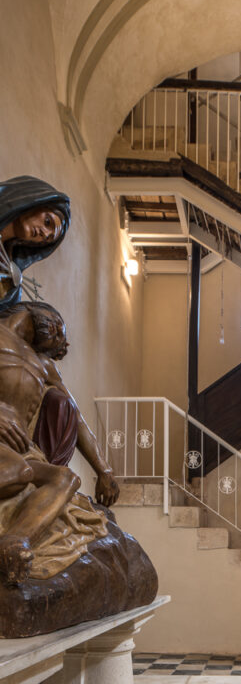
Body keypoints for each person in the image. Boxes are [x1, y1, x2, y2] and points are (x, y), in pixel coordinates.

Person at [0, 302, 117, 583]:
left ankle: (16, 542)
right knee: (22, 472)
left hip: (20, 451)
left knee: (64, 478)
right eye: (57, 326)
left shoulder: (43, 364)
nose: (59, 336)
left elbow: (76, 418)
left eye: (60, 337)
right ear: (39, 311)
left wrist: (103, 470)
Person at [0, 176, 70, 310]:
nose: (44, 234)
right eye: (47, 222)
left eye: (47, 239)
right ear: (32, 202)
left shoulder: (9, 283)